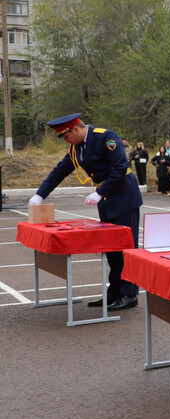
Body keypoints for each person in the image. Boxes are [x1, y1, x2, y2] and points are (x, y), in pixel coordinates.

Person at [29, 113, 142, 310]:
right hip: (106, 202)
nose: (66, 141)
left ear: (75, 129)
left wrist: (100, 192)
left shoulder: (106, 138)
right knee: (112, 250)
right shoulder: (76, 149)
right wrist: (40, 195)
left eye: (66, 136)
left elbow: (119, 168)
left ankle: (130, 294)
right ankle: (114, 292)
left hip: (123, 198)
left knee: (127, 249)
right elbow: (60, 171)